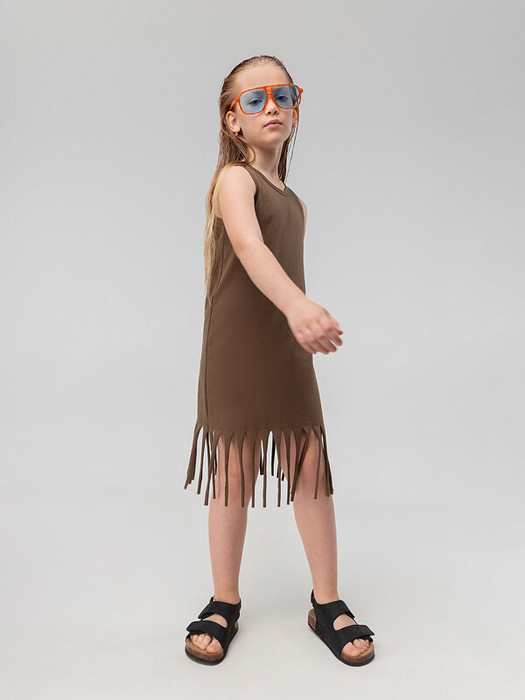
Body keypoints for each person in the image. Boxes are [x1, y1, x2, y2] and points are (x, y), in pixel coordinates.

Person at [183, 55, 375, 667]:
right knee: (234, 471)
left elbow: (280, 261)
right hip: (239, 349)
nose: (272, 106)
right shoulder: (234, 180)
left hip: (287, 346)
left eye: (283, 95)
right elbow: (248, 246)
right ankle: (224, 600)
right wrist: (299, 306)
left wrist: (297, 317)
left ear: (296, 107)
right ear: (232, 119)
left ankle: (326, 600)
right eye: (255, 98)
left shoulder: (295, 201)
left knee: (310, 466)